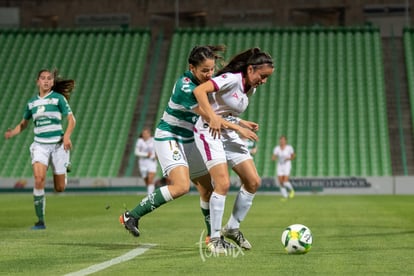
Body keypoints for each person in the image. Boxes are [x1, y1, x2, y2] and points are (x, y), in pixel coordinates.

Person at [119, 46, 254, 249]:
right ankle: (132, 215)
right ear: (192, 68)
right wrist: (238, 126)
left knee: (207, 189)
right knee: (181, 187)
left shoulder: (206, 83)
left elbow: (217, 111)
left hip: (191, 139)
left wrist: (240, 121)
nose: (209, 74)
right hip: (170, 136)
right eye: (204, 71)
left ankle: (213, 239)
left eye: (211, 69)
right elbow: (210, 116)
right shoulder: (185, 87)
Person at [193, 47, 274, 252]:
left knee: (253, 181)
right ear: (250, 69)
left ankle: (232, 227)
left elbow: (224, 110)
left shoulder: (250, 88)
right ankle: (215, 239)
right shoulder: (231, 79)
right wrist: (212, 117)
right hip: (209, 131)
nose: (263, 81)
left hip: (228, 132)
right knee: (223, 183)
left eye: (267, 78)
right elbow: (199, 91)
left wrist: (240, 122)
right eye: (262, 76)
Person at [4, 69, 76, 230]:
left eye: (49, 78)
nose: (46, 81)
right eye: (42, 78)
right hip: (40, 146)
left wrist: (67, 136)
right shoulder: (32, 103)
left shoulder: (59, 99)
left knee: (60, 188)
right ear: (38, 81)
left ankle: (64, 167)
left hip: (58, 145)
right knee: (38, 179)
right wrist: (12, 132)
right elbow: (24, 124)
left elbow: (71, 119)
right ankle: (40, 221)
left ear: (52, 82)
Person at [272, 135, 295, 201]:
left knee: (285, 181)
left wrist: (289, 158)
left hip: (287, 164)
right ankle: (285, 196)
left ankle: (291, 190)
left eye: (283, 140)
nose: (282, 141)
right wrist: (273, 158)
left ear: (285, 141)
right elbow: (274, 156)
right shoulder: (277, 148)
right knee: (281, 182)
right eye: (281, 140)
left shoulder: (289, 148)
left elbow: (293, 156)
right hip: (280, 165)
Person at [135, 127, 157, 195]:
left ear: (149, 134)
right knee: (146, 180)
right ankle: (151, 192)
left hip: (152, 161)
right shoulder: (140, 141)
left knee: (151, 178)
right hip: (142, 162)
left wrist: (156, 155)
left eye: (146, 133)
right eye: (143, 133)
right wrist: (146, 155)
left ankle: (149, 196)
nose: (144, 135)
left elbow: (157, 149)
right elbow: (136, 152)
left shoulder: (154, 140)